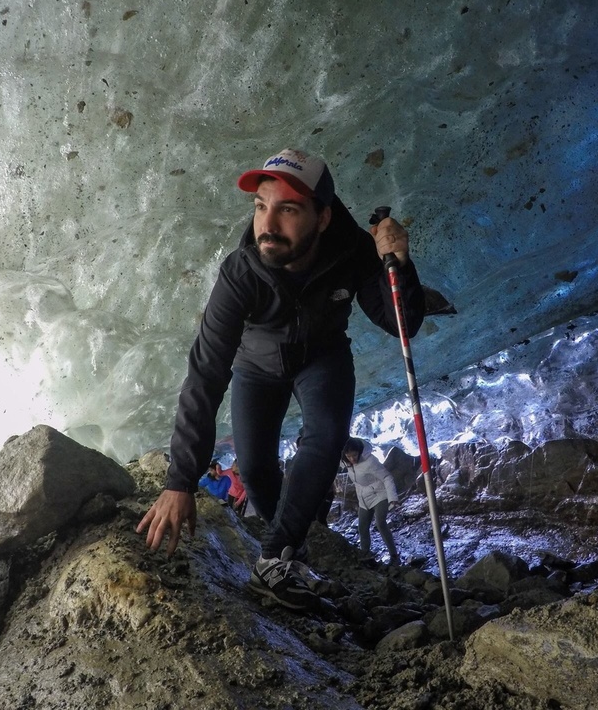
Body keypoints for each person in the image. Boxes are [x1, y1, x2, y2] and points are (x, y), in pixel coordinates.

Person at [136, 147, 425, 610]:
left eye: (287, 210)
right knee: (253, 468)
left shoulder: (353, 249)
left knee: (326, 437)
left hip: (323, 355)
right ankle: (295, 549)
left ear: (323, 217)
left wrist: (399, 264)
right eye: (260, 206)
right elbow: (205, 375)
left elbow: (400, 322)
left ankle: (276, 558)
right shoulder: (240, 273)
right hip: (256, 365)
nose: (267, 225)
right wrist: (179, 481)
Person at [341, 437, 401, 565]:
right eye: (349, 456)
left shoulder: (370, 461)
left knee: (380, 523)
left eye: (355, 455)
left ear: (360, 452)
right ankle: (365, 555)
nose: (352, 459)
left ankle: (394, 556)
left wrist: (392, 498)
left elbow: (387, 477)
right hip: (363, 498)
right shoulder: (345, 461)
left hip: (380, 494)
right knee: (362, 527)